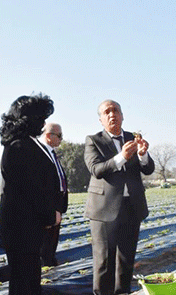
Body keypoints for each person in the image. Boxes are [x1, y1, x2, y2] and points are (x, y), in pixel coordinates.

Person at [84, 99, 155, 295]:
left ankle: (123, 293)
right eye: (107, 112)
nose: (112, 114)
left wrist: (142, 155)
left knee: (126, 259)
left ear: (123, 116)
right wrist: (122, 157)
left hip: (131, 206)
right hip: (104, 209)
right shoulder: (93, 140)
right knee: (104, 261)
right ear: (101, 120)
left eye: (116, 110)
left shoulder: (133, 137)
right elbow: (96, 169)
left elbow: (148, 169)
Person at [0, 94, 61, 295]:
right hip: (21, 229)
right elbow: (33, 190)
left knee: (28, 280)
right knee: (24, 283)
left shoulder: (24, 143)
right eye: (41, 118)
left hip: (26, 229)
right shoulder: (19, 147)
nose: (43, 123)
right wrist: (51, 215)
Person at [38, 122, 69, 267]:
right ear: (49, 136)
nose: (61, 139)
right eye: (59, 135)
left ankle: (50, 264)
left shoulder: (52, 153)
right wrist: (51, 209)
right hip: (48, 207)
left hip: (58, 204)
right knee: (44, 245)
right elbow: (43, 185)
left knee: (52, 244)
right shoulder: (40, 153)